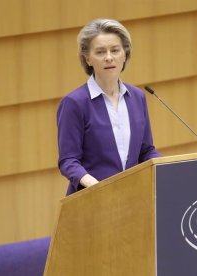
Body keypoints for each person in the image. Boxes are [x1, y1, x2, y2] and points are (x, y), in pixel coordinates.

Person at [57, 18, 161, 195]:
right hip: (92, 199)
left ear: (125, 54)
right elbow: (69, 161)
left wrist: (167, 167)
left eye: (115, 50)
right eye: (100, 52)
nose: (109, 57)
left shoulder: (137, 97)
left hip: (133, 197)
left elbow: (146, 151)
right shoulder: (74, 103)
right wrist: (94, 185)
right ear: (87, 59)